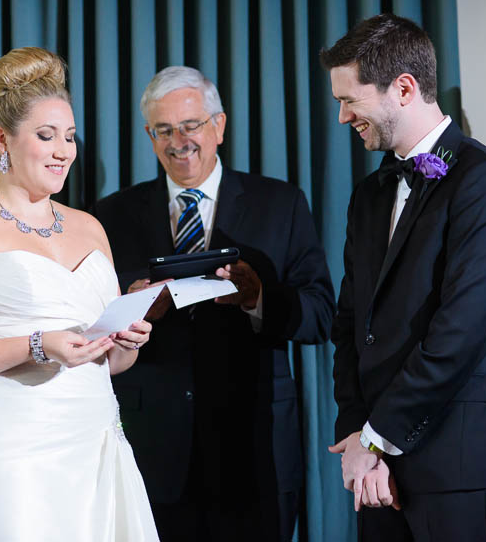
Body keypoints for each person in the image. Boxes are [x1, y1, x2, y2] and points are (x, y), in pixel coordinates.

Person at [0, 47, 158, 542]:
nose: (64, 151)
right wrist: (38, 344)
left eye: (69, 137)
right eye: (46, 137)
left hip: (93, 446)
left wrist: (124, 343)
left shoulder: (90, 229)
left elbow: (101, 361)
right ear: (3, 139)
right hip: (6, 452)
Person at [92, 66, 335, 542]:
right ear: (149, 135)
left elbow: (320, 315)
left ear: (219, 126)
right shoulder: (111, 215)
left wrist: (257, 298)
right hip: (152, 447)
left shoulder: (279, 203)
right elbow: (94, 322)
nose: (179, 140)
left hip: (253, 448)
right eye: (164, 130)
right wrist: (135, 308)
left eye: (191, 125)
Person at [322, 14, 486, 541]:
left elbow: (461, 331)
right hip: (374, 474)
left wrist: (379, 437)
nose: (342, 117)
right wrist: (355, 433)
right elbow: (350, 324)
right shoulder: (368, 196)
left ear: (404, 88)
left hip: (457, 468)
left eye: (350, 100)